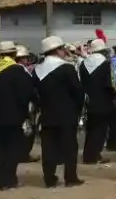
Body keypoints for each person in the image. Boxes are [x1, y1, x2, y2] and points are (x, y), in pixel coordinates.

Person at [34, 36, 85, 188]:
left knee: (48, 148)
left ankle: (49, 179)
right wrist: (78, 109)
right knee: (69, 147)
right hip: (67, 114)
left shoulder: (38, 70)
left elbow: (34, 94)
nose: (64, 52)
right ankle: (70, 178)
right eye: (62, 49)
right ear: (57, 50)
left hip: (46, 114)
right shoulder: (67, 68)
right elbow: (77, 92)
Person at [0, 41, 35, 190]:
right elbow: (25, 94)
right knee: (12, 149)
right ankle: (8, 180)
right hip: (13, 116)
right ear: (14, 55)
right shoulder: (17, 71)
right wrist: (26, 114)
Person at [79, 38, 115, 164]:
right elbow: (111, 85)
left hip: (89, 101)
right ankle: (94, 156)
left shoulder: (83, 64)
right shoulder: (107, 64)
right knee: (101, 130)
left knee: (91, 129)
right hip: (104, 101)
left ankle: (88, 154)